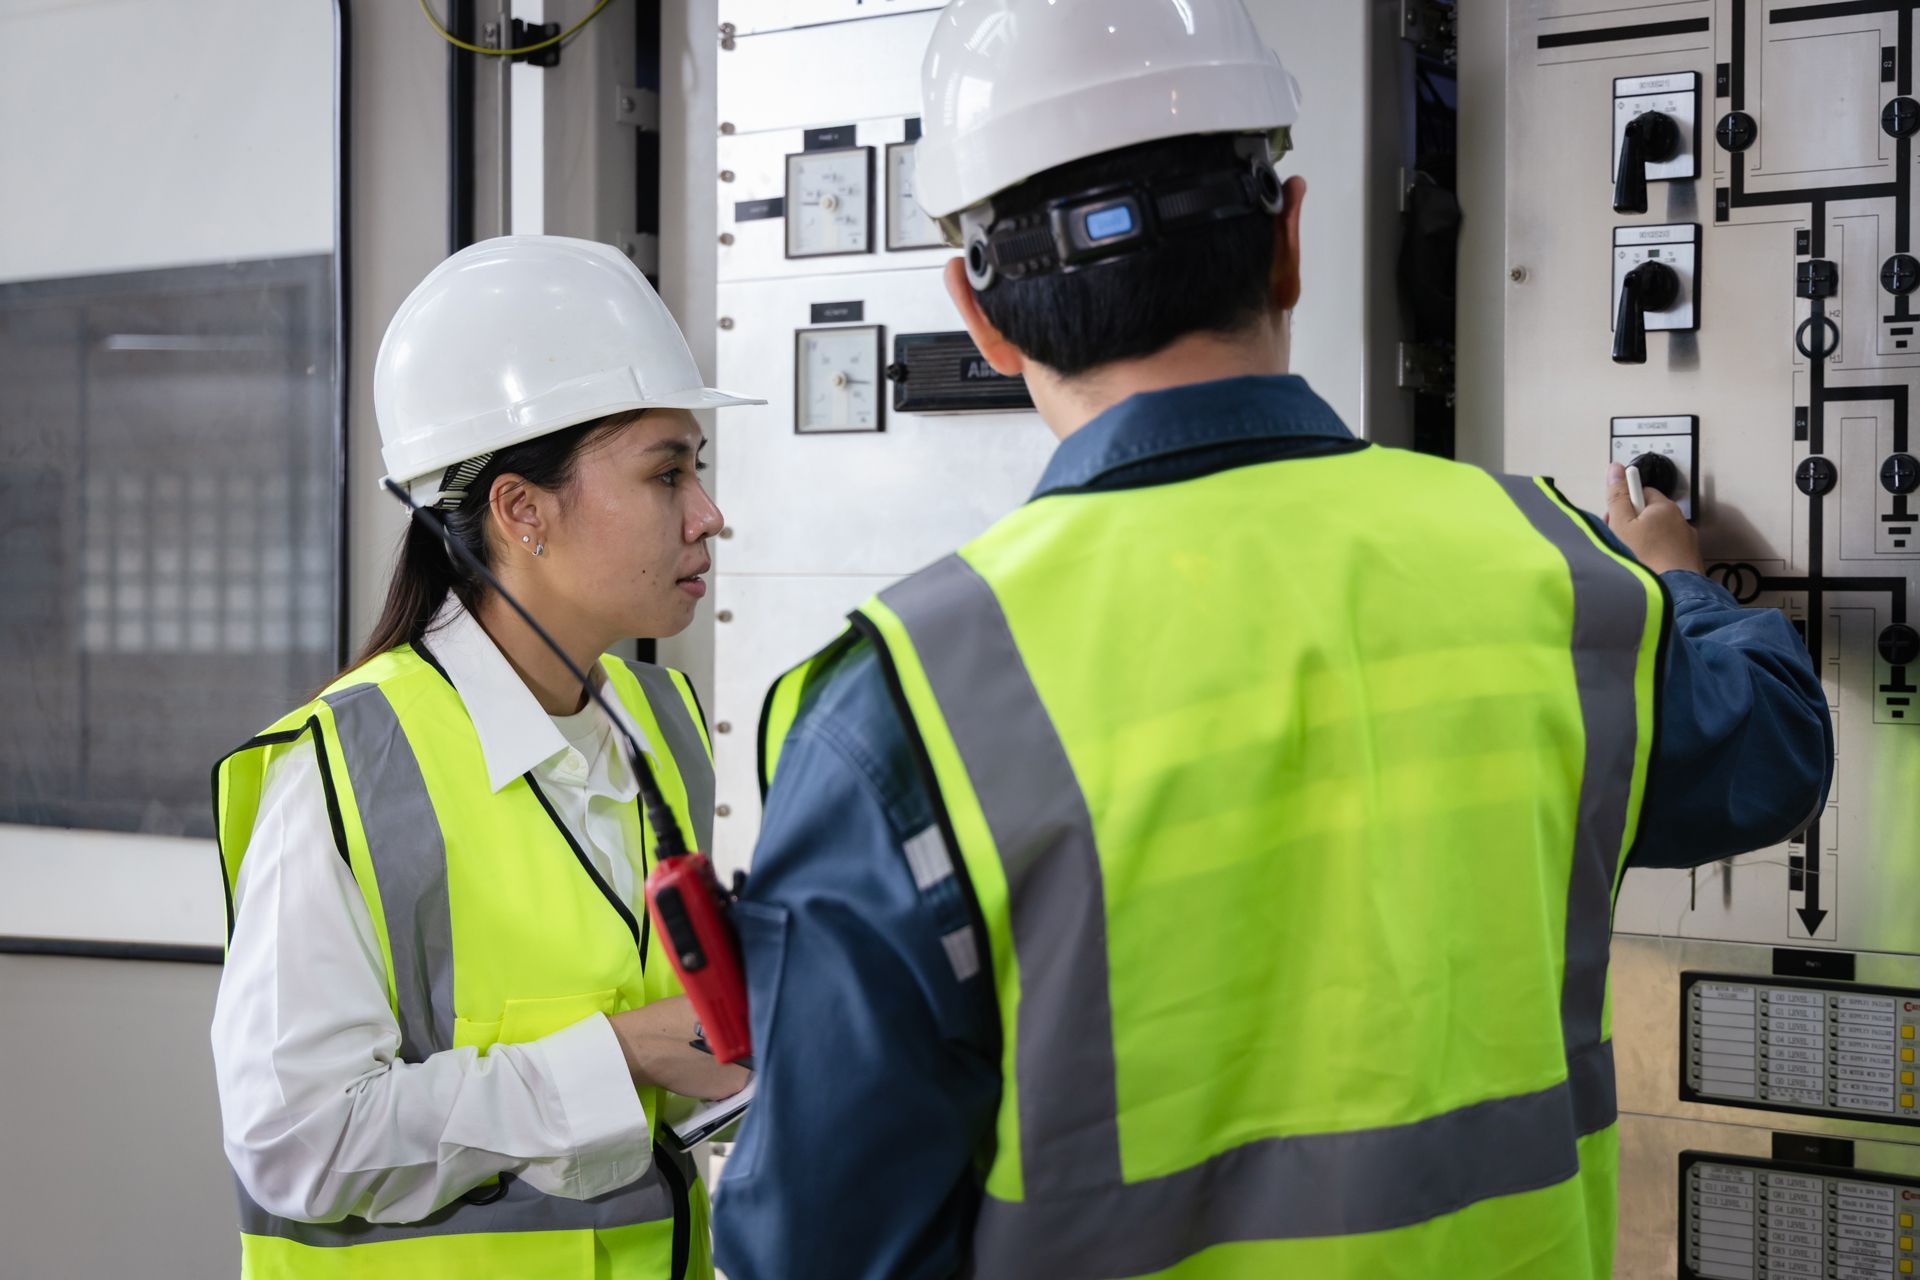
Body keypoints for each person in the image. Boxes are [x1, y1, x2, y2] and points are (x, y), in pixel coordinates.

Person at [710, 3, 1833, 1277]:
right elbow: (1777, 749)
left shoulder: (903, 708)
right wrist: (1677, 582)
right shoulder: (1550, 568)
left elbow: (815, 1240)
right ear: (1292, 238)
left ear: (979, 313)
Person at [211, 235, 757, 1278]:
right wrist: (621, 1056)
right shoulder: (350, 766)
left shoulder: (661, 720)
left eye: (699, 469)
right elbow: (296, 1143)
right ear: (520, 509)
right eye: (667, 472)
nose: (707, 515)